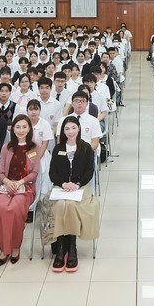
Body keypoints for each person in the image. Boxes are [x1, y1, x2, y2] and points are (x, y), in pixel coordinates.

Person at [0, 115, 39, 265]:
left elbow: (34, 173)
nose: (21, 130)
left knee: (13, 209)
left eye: (24, 127)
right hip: (6, 185)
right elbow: (0, 173)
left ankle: (15, 246)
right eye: (18, 127)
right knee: (0, 207)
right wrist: (8, 182)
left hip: (25, 187)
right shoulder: (6, 148)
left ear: (29, 129)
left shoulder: (33, 148)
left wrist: (20, 182)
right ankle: (4, 247)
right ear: (13, 129)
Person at [47, 116, 99, 273]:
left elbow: (89, 172)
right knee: (61, 204)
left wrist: (77, 184)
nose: (70, 132)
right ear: (63, 131)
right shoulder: (58, 148)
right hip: (61, 187)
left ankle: (71, 247)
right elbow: (52, 172)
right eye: (67, 129)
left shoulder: (86, 148)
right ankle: (62, 246)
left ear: (79, 129)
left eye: (73, 128)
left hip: (81, 188)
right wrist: (64, 184)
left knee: (69, 205)